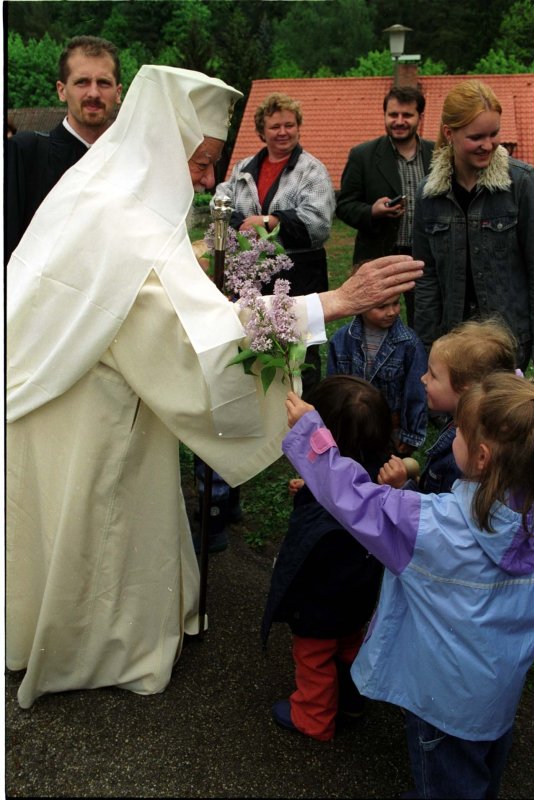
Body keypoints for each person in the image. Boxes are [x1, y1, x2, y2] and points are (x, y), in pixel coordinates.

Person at [6, 65, 424, 709]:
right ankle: (96, 645)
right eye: (200, 164)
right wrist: (332, 301)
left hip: (72, 400)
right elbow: (196, 337)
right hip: (93, 416)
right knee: (101, 526)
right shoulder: (123, 219)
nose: (207, 182)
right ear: (165, 146)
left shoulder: (102, 192)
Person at [282, 372, 534, 800]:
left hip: (442, 701)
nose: (451, 431)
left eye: (458, 429)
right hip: (498, 696)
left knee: (445, 779)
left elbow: (354, 500)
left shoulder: (430, 525)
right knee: (480, 769)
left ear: (481, 457)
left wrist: (313, 434)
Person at [262, 376, 392, 741]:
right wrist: (312, 481)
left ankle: (313, 718)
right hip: (358, 600)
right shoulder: (378, 479)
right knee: (349, 647)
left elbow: (305, 556)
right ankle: (351, 700)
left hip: (319, 606)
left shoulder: (326, 514)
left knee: (314, 658)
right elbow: (343, 482)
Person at [412, 79, 534, 372]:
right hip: (454, 343)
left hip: (508, 343)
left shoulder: (520, 184)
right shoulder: (429, 194)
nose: (488, 145)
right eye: (476, 137)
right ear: (449, 133)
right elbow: (426, 278)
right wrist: (427, 345)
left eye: (494, 134)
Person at [214, 91, 336, 395]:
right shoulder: (243, 168)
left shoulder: (312, 169)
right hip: (252, 278)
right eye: (275, 126)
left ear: (298, 127)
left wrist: (269, 222)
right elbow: (221, 203)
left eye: (289, 125)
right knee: (254, 345)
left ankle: (303, 414)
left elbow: (319, 223)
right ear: (261, 131)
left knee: (299, 353)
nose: (283, 132)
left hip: (300, 278)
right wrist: (242, 226)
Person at [5, 34, 122, 263]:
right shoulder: (25, 153)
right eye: (82, 82)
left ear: (118, 93)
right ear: (61, 90)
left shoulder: (132, 162)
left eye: (104, 83)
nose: (94, 93)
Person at [378, 318, 518, 494]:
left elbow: (442, 516)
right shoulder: (464, 422)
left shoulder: (464, 460)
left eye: (433, 375)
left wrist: (403, 488)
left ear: (465, 390)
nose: (423, 378)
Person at [336, 86, 434, 327]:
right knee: (377, 328)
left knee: (424, 325)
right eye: (393, 115)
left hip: (426, 258)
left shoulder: (438, 154)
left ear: (420, 118)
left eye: (407, 115)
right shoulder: (363, 155)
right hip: (380, 257)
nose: (399, 121)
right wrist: (372, 211)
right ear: (385, 116)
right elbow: (344, 205)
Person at [327, 274, 427, 456]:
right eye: (381, 306)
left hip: (390, 432)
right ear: (361, 305)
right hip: (351, 428)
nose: (391, 312)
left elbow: (415, 393)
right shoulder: (341, 340)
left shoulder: (409, 344)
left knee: (384, 474)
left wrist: (411, 434)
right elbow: (333, 388)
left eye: (396, 303)